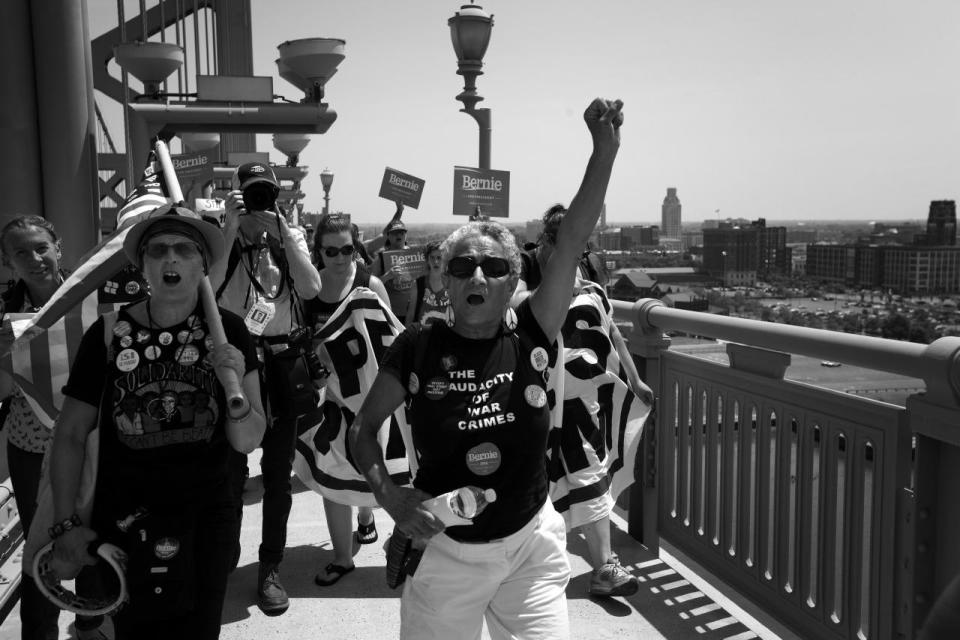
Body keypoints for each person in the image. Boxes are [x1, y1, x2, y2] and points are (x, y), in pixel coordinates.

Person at [349, 97, 624, 639]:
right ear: (444, 282)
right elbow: (363, 430)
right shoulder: (417, 346)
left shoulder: (532, 330)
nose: (478, 276)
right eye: (462, 267)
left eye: (494, 267)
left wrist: (605, 151)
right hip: (447, 551)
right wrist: (390, 496)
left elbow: (570, 242)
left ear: (513, 279)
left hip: (530, 547)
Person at [47, 205, 266, 639]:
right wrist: (66, 524)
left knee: (201, 631)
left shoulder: (231, 332)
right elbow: (70, 434)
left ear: (202, 263)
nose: (171, 258)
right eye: (159, 249)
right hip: (125, 519)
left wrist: (234, 381)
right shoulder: (108, 334)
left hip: (207, 516)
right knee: (136, 631)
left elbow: (248, 441)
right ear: (142, 264)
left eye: (185, 249)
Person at [514, 204, 652, 598]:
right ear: (547, 242)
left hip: (583, 404)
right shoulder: (527, 276)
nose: (574, 253)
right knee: (534, 479)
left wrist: (636, 379)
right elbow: (515, 307)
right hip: (535, 400)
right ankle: (531, 564)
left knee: (589, 474)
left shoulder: (590, 279)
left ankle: (604, 568)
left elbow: (611, 332)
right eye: (565, 243)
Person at [208, 162, 322, 614]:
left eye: (266, 193)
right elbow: (208, 290)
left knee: (278, 478)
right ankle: (225, 559)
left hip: (280, 361)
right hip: (238, 364)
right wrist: (229, 228)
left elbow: (311, 289)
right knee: (230, 474)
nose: (260, 201)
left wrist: (286, 234)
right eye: (253, 193)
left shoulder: (286, 235)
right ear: (238, 194)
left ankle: (269, 567)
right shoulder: (224, 238)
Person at [302, 213, 391, 586]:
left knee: (378, 472)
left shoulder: (370, 283)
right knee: (333, 472)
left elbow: (391, 340)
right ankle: (342, 557)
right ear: (318, 251)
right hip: (329, 400)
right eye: (331, 250)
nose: (340, 257)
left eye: (348, 249)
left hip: (371, 398)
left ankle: (367, 519)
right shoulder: (307, 290)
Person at [371, 206, 414, 323]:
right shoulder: (381, 257)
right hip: (390, 312)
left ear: (406, 235)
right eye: (394, 233)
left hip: (412, 312)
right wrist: (387, 276)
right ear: (389, 236)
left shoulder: (415, 255)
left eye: (401, 232)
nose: (398, 235)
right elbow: (370, 286)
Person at [404, 241, 449, 328]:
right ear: (427, 260)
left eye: (439, 258)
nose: (435, 261)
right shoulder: (418, 284)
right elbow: (410, 314)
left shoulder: (452, 282)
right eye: (432, 257)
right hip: (422, 336)